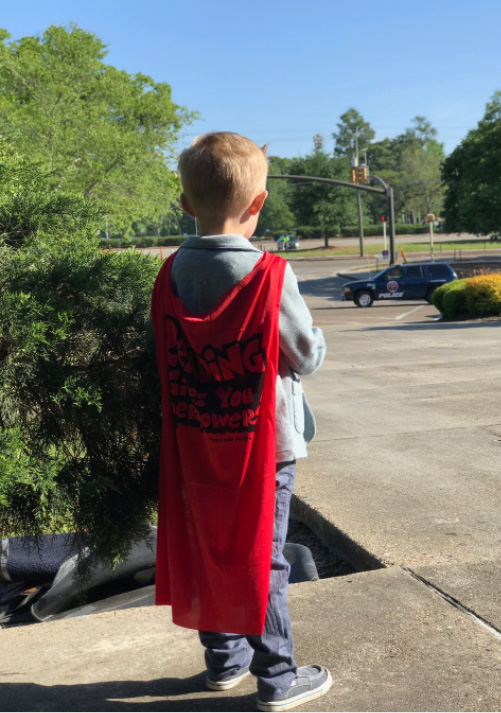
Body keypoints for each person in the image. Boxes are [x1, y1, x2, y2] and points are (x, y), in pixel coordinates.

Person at [150, 132, 331, 712]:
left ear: (185, 204)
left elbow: (161, 345)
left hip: (196, 436)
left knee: (212, 545)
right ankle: (278, 678)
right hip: (264, 444)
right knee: (263, 554)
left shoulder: (171, 273)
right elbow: (304, 355)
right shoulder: (270, 275)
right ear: (259, 202)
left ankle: (224, 662)